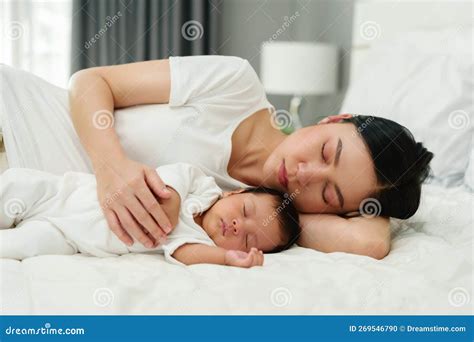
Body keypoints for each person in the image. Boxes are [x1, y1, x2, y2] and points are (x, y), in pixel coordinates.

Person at [1, 55, 433, 260]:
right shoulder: (234, 83)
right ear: (333, 118)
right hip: (13, 115)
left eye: (329, 192)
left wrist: (377, 200)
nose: (303, 175)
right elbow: (90, 81)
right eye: (325, 151)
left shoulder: (249, 217)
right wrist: (111, 167)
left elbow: (371, 244)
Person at [0, 163, 300, 268]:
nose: (237, 226)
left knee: (25, 245)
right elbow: (177, 173)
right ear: (234, 193)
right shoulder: (203, 188)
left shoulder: (198, 244)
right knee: (17, 185)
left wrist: (226, 259)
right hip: (62, 192)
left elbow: (185, 255)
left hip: (68, 238)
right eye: (246, 212)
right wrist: (170, 201)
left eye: (247, 239)